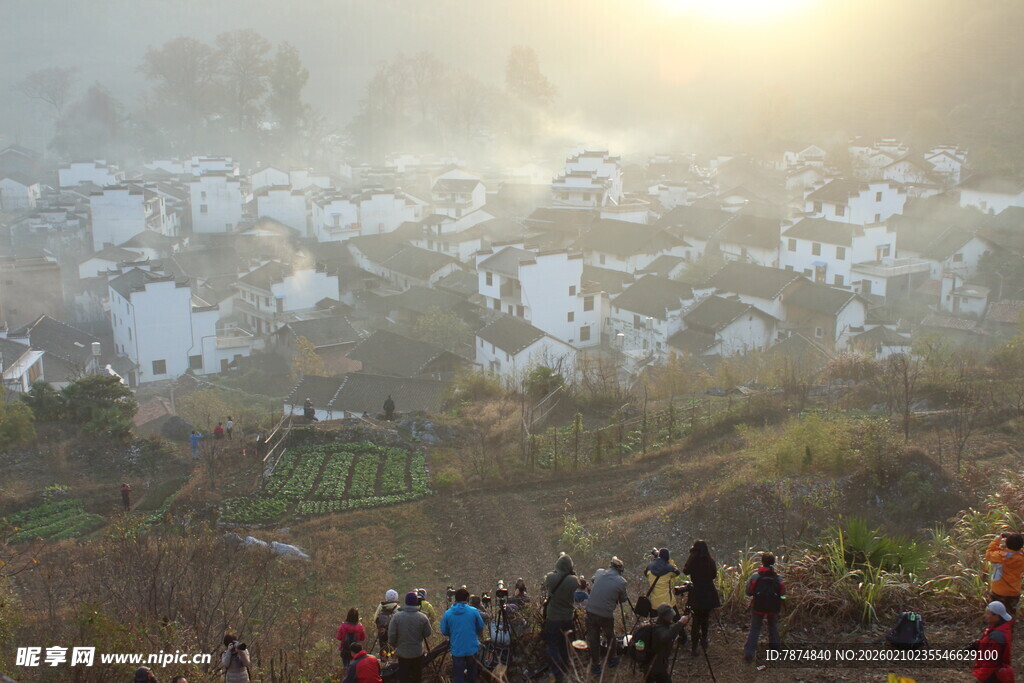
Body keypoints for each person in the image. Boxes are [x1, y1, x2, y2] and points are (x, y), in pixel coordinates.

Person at [586, 556, 628, 674]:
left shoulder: (599, 572)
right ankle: (612, 659)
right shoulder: (621, 581)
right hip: (605, 614)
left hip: (590, 611)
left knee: (593, 639)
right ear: (620, 570)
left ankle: (596, 666)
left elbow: (594, 580)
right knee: (610, 636)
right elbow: (623, 599)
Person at [542, 553, 580, 681]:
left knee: (553, 644)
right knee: (565, 644)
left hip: (553, 618)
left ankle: (557, 673)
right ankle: (565, 668)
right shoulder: (573, 580)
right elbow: (576, 582)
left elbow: (546, 580)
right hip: (567, 617)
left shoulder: (551, 578)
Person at [743, 552, 785, 662]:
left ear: (762, 562)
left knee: (755, 628)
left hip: (758, 607)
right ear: (773, 562)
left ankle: (749, 653)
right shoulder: (778, 579)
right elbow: (783, 592)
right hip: (773, 608)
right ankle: (775, 649)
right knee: (773, 626)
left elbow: (748, 592)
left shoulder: (755, 577)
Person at [683, 540, 722, 657]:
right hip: (709, 592)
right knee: (705, 618)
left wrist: (691, 555)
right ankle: (704, 640)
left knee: (696, 621)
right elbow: (714, 575)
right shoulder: (710, 561)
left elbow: (685, 571)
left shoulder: (693, 561)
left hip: (697, 593)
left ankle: (694, 647)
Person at [440, 587, 485, 683]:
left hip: (457, 648)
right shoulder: (473, 611)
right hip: (471, 647)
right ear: (467, 599)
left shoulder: (448, 613)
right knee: (472, 674)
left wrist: (453, 633)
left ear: (455, 598)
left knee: (458, 675)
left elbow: (444, 631)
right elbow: (480, 626)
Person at [389, 592, 432, 683]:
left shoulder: (397, 617)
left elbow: (391, 636)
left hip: (402, 652)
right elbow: (428, 633)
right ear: (416, 602)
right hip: (417, 652)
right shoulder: (422, 617)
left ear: (406, 602)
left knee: (404, 677)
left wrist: (396, 645)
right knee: (417, 677)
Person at [973, 600, 1014, 682]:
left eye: (988, 613)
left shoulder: (997, 636)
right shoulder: (1001, 629)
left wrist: (980, 678)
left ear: (996, 616)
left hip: (993, 677)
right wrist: (979, 645)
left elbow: (990, 663)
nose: (985, 615)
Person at [647, 604, 689, 683]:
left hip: (653, 662)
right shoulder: (658, 629)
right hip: (656, 664)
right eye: (670, 616)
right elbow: (667, 636)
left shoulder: (661, 625)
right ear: (664, 617)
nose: (672, 618)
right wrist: (680, 623)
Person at [987, 532, 1024, 613]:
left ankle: (997, 625)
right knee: (1010, 612)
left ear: (1007, 543)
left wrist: (997, 540)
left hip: (999, 591)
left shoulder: (1000, 556)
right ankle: (1009, 624)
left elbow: (989, 553)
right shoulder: (1022, 558)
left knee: (995, 612)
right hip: (1014, 592)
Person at [645, 548, 681, 615]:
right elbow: (677, 572)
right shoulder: (669, 569)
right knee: (677, 622)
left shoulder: (649, 568)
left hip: (654, 604)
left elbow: (646, 574)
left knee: (656, 624)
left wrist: (656, 558)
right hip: (668, 603)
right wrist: (669, 560)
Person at [372, 589, 401, 654]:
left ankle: (383, 661)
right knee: (394, 650)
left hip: (382, 632)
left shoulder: (381, 606)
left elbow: (375, 618)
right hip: (394, 633)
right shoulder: (398, 608)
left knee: (383, 650)